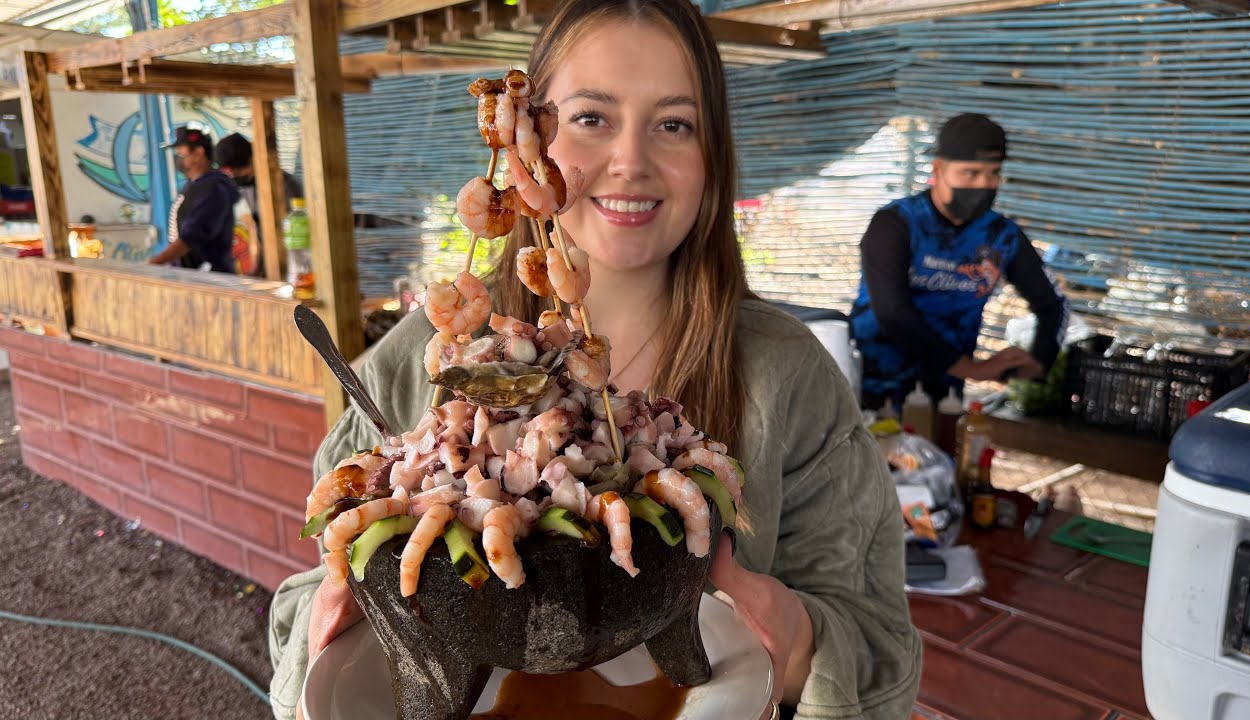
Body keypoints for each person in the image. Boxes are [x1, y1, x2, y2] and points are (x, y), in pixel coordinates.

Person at [267, 2, 921, 719]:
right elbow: (304, 604)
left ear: (714, 154)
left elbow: (881, 636)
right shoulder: (417, 362)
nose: (631, 161)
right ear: (526, 146)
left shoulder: (787, 375)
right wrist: (327, 625)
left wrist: (805, 647)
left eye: (674, 124)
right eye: (589, 118)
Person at [850, 113, 1068, 410]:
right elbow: (892, 312)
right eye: (970, 173)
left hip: (943, 398)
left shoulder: (1001, 236)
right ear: (938, 169)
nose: (984, 184)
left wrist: (1039, 361)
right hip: (869, 389)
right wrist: (972, 368)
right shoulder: (896, 224)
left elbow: (1052, 304)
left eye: (993, 174)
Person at [214, 132, 305, 277]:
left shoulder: (286, 187)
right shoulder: (243, 188)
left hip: (293, 269)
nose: (238, 177)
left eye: (241, 171)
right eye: (232, 174)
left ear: (253, 160)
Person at [149, 126, 238, 273]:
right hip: (191, 275)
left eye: (180, 153)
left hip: (209, 279)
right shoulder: (195, 185)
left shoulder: (213, 189)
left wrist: (152, 265)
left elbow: (189, 238)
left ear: (198, 153)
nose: (178, 158)